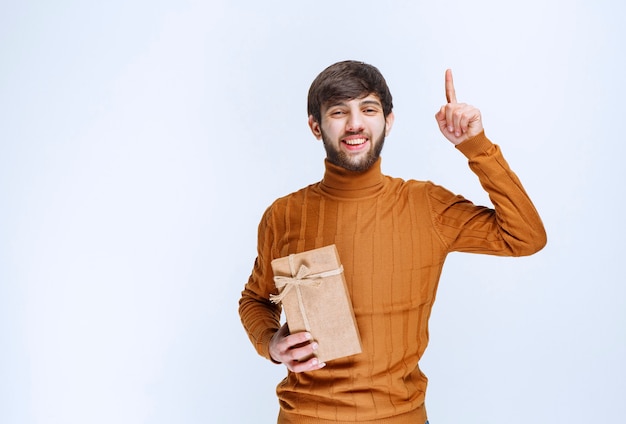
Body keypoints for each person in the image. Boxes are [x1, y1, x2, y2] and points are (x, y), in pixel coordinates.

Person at [239, 60, 546, 424]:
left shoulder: (426, 205)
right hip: (305, 416)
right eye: (339, 111)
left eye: (368, 109)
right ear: (315, 126)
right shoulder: (284, 215)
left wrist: (474, 145)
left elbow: (526, 237)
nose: (355, 123)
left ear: (388, 120)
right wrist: (271, 344)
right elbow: (256, 300)